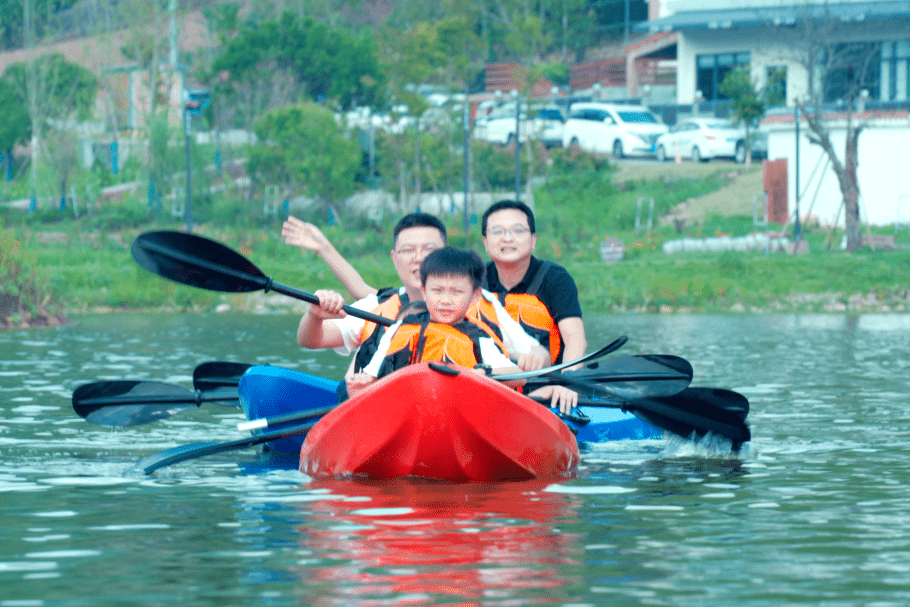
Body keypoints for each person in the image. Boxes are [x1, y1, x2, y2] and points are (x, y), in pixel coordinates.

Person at [283, 213, 550, 372]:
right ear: (394, 258)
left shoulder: (484, 303)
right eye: (408, 251)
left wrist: (534, 360)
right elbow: (310, 340)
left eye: (428, 250)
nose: (418, 259)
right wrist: (314, 315)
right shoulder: (378, 305)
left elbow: (538, 353)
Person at [344, 247, 578, 413]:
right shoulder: (399, 330)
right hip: (405, 410)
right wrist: (364, 382)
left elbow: (514, 374)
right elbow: (373, 374)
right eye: (437, 291)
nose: (445, 300)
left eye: (456, 292)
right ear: (424, 292)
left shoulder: (478, 339)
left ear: (475, 296)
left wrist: (481, 374)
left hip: (458, 412)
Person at [480, 200, 587, 366]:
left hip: (546, 383)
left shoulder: (555, 278)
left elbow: (574, 337)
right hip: (490, 382)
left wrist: (568, 383)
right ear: (485, 242)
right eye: (497, 231)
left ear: (533, 239)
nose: (507, 238)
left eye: (517, 230)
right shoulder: (474, 279)